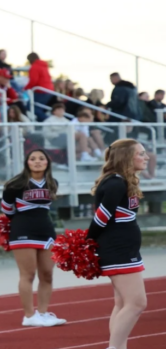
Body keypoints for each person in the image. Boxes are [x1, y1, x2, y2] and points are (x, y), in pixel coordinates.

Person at [87, 139, 149, 349]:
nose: (146, 157)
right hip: (118, 249)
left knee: (123, 303)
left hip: (125, 248)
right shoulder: (115, 183)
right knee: (137, 303)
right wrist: (87, 243)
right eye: (141, 153)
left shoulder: (122, 181)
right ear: (126, 157)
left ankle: (118, 346)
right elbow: (101, 218)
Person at [0, 149, 67, 327]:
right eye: (33, 159)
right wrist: (21, 223)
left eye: (41, 158)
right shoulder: (15, 184)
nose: (37, 162)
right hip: (23, 231)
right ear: (27, 162)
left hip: (46, 231)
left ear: (47, 163)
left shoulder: (52, 183)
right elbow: (7, 210)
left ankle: (43, 314)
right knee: (27, 274)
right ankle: (29, 316)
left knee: (47, 274)